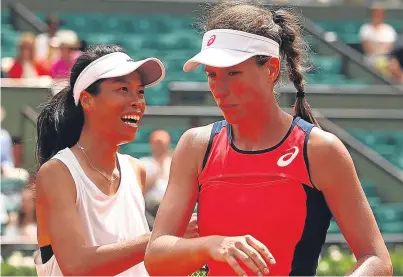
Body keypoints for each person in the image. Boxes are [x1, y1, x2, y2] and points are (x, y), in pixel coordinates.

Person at [144, 2, 392, 276]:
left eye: (233, 73)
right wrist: (212, 245)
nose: (219, 89)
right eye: (211, 75)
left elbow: (376, 259)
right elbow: (156, 258)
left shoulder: (322, 150)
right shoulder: (195, 146)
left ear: (271, 69)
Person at [34, 44, 198, 276]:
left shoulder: (135, 170)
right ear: (87, 100)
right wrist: (164, 237)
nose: (137, 101)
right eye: (123, 89)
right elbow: (76, 266)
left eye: (140, 92)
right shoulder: (57, 173)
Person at [141, 130, 173, 216]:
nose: (160, 146)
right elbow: (141, 190)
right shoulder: (143, 163)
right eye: (157, 143)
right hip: (150, 206)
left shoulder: (174, 163)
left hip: (172, 205)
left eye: (162, 143)